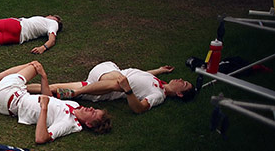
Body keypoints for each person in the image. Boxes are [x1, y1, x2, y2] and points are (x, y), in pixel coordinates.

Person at [23, 61, 196, 113]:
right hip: (108, 71)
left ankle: (20, 89)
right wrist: (158, 70)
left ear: (180, 94)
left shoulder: (158, 95)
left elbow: (140, 108)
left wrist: (128, 90)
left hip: (102, 88)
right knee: (119, 79)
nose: (181, 79)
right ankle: (18, 82)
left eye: (184, 84)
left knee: (51, 88)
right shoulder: (157, 81)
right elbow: (141, 74)